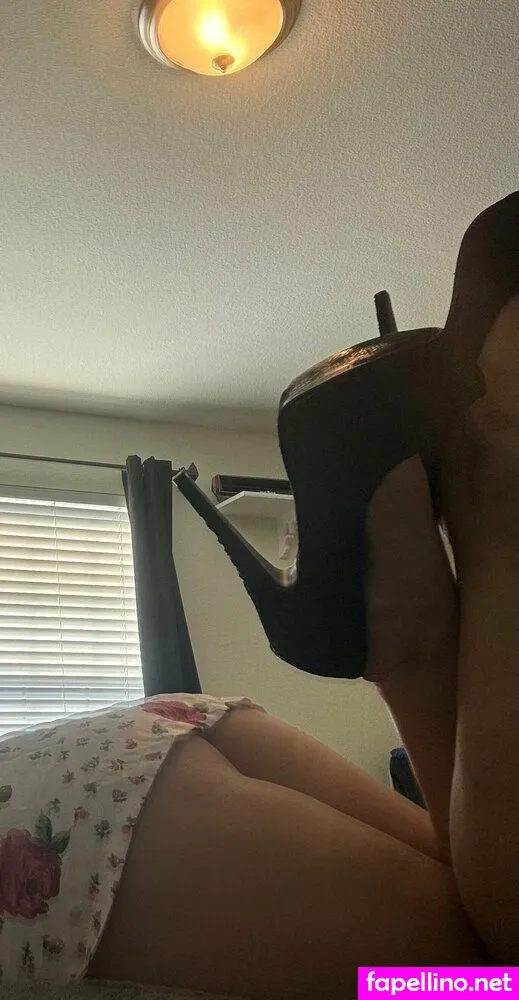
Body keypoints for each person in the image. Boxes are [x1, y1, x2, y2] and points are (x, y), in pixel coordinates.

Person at [1, 234, 517, 1000]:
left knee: (475, 984)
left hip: (70, 823)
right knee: (487, 926)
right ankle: (414, 625)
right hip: (134, 744)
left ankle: (496, 488)